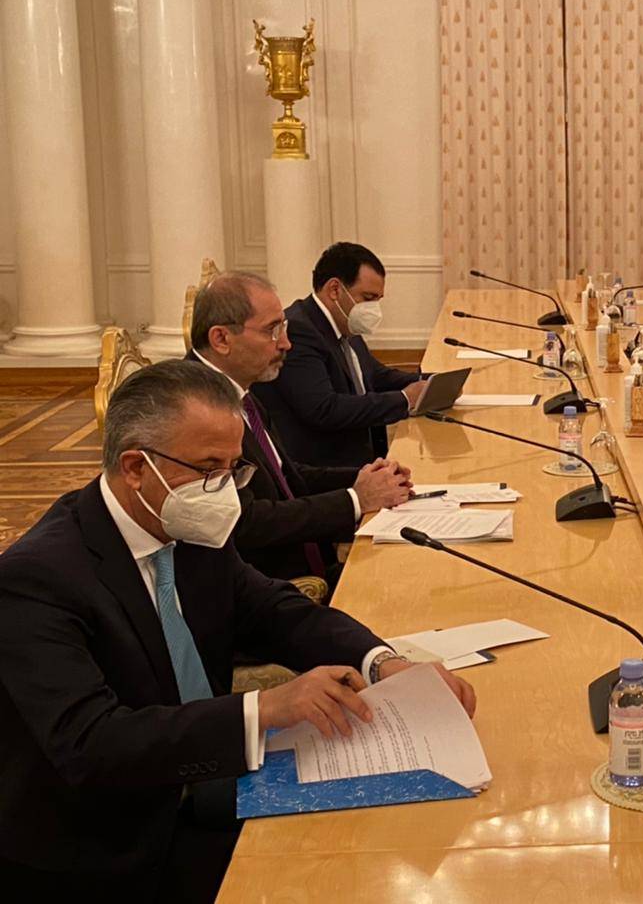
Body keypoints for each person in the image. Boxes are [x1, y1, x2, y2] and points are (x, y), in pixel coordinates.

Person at [0, 360, 475, 900]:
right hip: (106, 847)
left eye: (233, 468)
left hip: (207, 779)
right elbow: (92, 742)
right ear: (135, 467)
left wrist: (383, 662)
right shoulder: (35, 577)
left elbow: (274, 611)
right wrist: (264, 708)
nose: (223, 489)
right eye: (208, 469)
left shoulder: (185, 523)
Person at [189, 272, 413, 585]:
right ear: (221, 339)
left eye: (283, 327)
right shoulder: (195, 409)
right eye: (272, 331)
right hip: (271, 586)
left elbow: (286, 476)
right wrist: (355, 500)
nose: (286, 343)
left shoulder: (240, 391)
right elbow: (245, 521)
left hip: (303, 564)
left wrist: (368, 478)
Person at [253, 242, 431, 468]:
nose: (374, 309)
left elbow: (376, 376)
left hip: (361, 458)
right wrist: (404, 399)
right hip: (325, 467)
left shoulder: (345, 323)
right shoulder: (299, 330)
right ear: (335, 290)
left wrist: (430, 382)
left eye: (378, 300)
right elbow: (324, 409)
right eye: (368, 298)